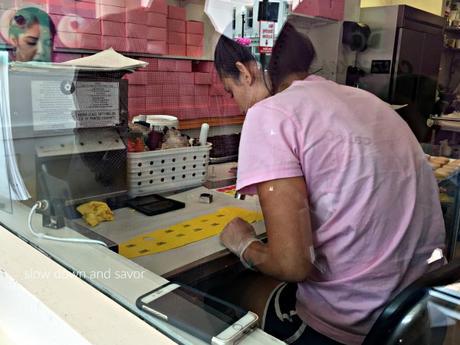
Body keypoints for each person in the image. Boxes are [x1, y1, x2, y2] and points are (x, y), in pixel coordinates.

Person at [214, 22, 446, 345]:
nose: (237, 105)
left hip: (354, 326)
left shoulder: (269, 113)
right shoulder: (367, 102)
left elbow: (292, 264)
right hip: (419, 315)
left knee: (224, 292)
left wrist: (244, 244)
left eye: (231, 91)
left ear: (245, 72)